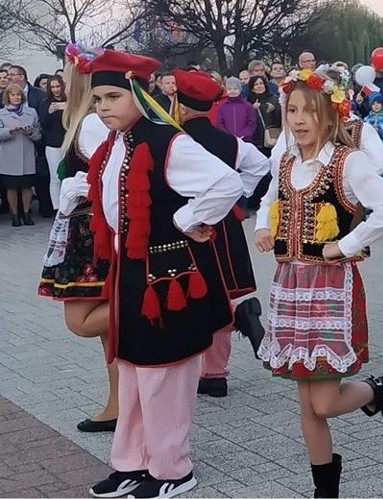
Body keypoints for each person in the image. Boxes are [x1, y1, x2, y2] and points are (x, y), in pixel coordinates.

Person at [84, 49, 243, 498]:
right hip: (132, 270)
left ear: (139, 91)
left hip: (168, 275)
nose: (104, 107)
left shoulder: (165, 140)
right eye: (98, 100)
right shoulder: (116, 144)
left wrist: (186, 221)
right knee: (134, 369)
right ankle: (132, 462)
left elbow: (226, 183)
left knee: (165, 374)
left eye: (113, 96)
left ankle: (173, 469)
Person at [253, 66, 383, 498]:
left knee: (322, 401)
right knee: (306, 403)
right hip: (289, 286)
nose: (299, 119)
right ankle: (325, 488)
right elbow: (268, 200)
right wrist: (262, 228)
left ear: (330, 115)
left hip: (329, 290)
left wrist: (346, 243)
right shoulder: (285, 161)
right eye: (292, 109)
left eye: (310, 110)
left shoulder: (348, 162)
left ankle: (381, 387)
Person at [171, 68, 270, 398]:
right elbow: (261, 165)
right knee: (221, 290)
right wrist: (238, 193)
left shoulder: (173, 140)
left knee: (190, 295)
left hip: (186, 223)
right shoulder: (230, 142)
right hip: (224, 222)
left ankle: (197, 368)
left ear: (180, 106)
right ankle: (216, 372)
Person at [37, 47, 115, 433]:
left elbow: (113, 175)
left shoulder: (91, 123)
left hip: (94, 229)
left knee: (83, 322)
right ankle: (118, 403)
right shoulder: (83, 120)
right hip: (84, 227)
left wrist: (78, 186)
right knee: (103, 331)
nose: (62, 81)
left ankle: (152, 307)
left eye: (68, 75)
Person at [0, 83, 42, 226]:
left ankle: (26, 213)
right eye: (13, 95)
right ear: (8, 97)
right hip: (9, 155)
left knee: (27, 186)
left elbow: (38, 134)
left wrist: (31, 132)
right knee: (11, 187)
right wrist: (9, 131)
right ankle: (15, 215)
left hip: (27, 154)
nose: (16, 97)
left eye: (18, 95)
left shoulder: (32, 112)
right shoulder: (1, 114)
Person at [39, 75, 68, 209]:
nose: (56, 90)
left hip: (68, 143)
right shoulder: (45, 102)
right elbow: (43, 125)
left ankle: (68, 205)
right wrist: (50, 112)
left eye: (58, 86)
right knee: (55, 178)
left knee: (67, 177)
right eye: (53, 87)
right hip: (53, 145)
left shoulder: (69, 101)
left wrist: (66, 107)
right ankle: (57, 207)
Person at [216, 77, 257, 141]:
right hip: (228, 140)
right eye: (229, 89)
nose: (232, 91)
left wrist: (245, 134)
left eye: (235, 89)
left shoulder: (247, 106)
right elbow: (220, 123)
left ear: (240, 89)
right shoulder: (223, 107)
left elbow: (251, 122)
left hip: (245, 140)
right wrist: (226, 135)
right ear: (226, 90)